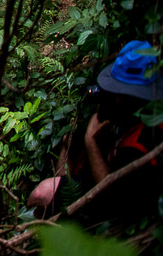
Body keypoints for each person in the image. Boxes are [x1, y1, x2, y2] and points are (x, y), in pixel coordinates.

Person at [28, 40, 163, 218]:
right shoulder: (131, 116)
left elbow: (113, 199)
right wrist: (72, 144)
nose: (114, 98)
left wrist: (90, 141)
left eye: (119, 94)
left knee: (42, 193)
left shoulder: (144, 140)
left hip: (117, 208)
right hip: (103, 185)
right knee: (70, 144)